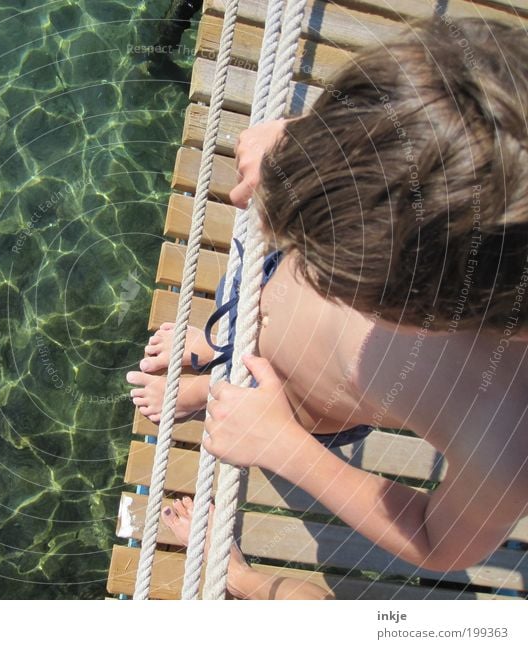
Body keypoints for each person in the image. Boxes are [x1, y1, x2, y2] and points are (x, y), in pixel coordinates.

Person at [126, 16, 528, 596]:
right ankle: (217, 354)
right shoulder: (475, 129)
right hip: (263, 294)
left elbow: (441, 542)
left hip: (312, 402)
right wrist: (301, 148)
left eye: (328, 270)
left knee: (288, 394)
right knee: (250, 316)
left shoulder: (508, 430)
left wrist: (284, 444)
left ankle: (220, 385)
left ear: (419, 314)